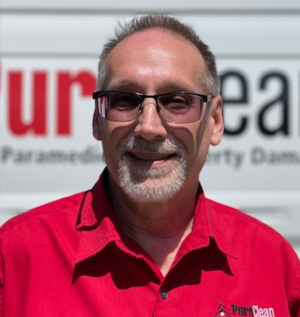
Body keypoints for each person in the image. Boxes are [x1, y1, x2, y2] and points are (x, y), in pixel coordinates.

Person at [0, 15, 299, 317]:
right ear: (96, 120)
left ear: (216, 121)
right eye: (125, 100)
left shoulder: (273, 261)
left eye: (177, 101)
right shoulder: (15, 257)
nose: (149, 126)